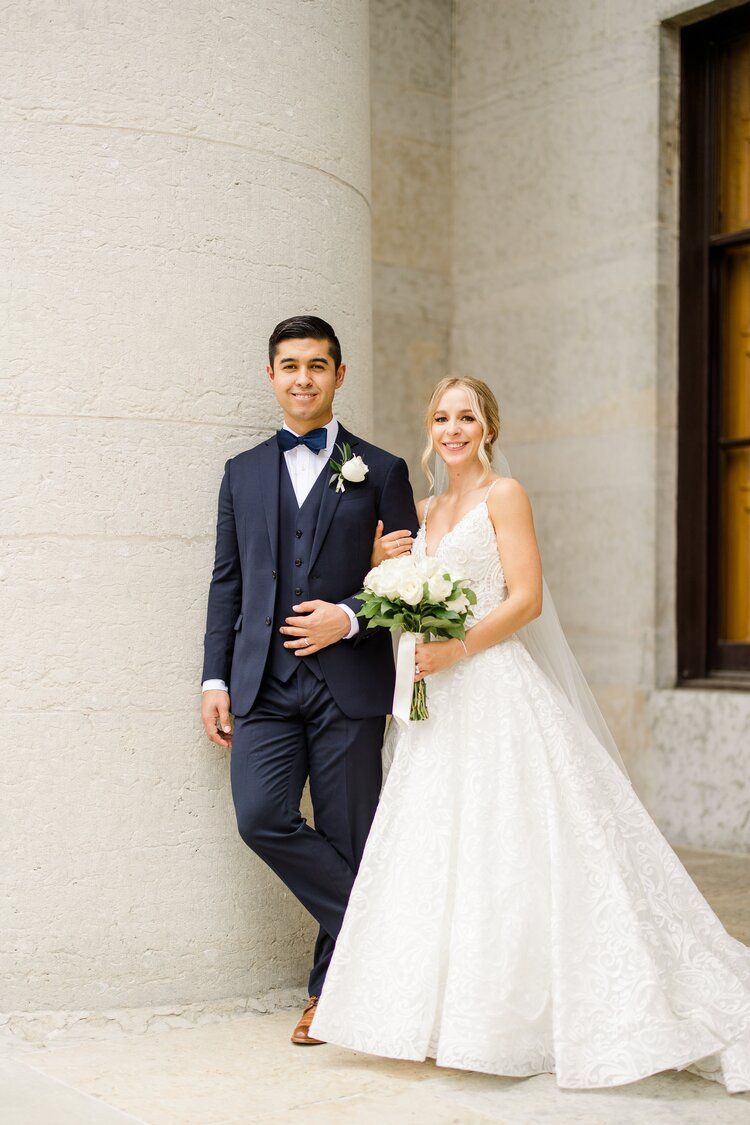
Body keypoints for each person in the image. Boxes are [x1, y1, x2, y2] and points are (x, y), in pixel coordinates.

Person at [309, 376, 750, 1092]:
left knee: (512, 836)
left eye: (467, 416)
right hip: (436, 705)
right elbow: (402, 596)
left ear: (488, 427)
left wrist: (455, 650)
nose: (454, 428)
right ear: (430, 429)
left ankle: (514, 1019)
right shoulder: (424, 509)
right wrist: (386, 570)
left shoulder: (503, 497)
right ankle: (438, 1014)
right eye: (442, 417)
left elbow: (526, 597)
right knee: (440, 845)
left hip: (492, 686)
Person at [201, 315, 418, 1044]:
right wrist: (213, 679)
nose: (303, 378)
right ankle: (385, 930)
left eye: (317, 365)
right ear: (271, 376)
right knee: (260, 815)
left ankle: (330, 997)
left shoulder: (381, 469)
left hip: (350, 683)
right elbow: (226, 584)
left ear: (339, 374)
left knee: (350, 836)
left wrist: (351, 616)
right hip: (261, 682)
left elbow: (411, 579)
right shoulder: (241, 472)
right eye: (289, 365)